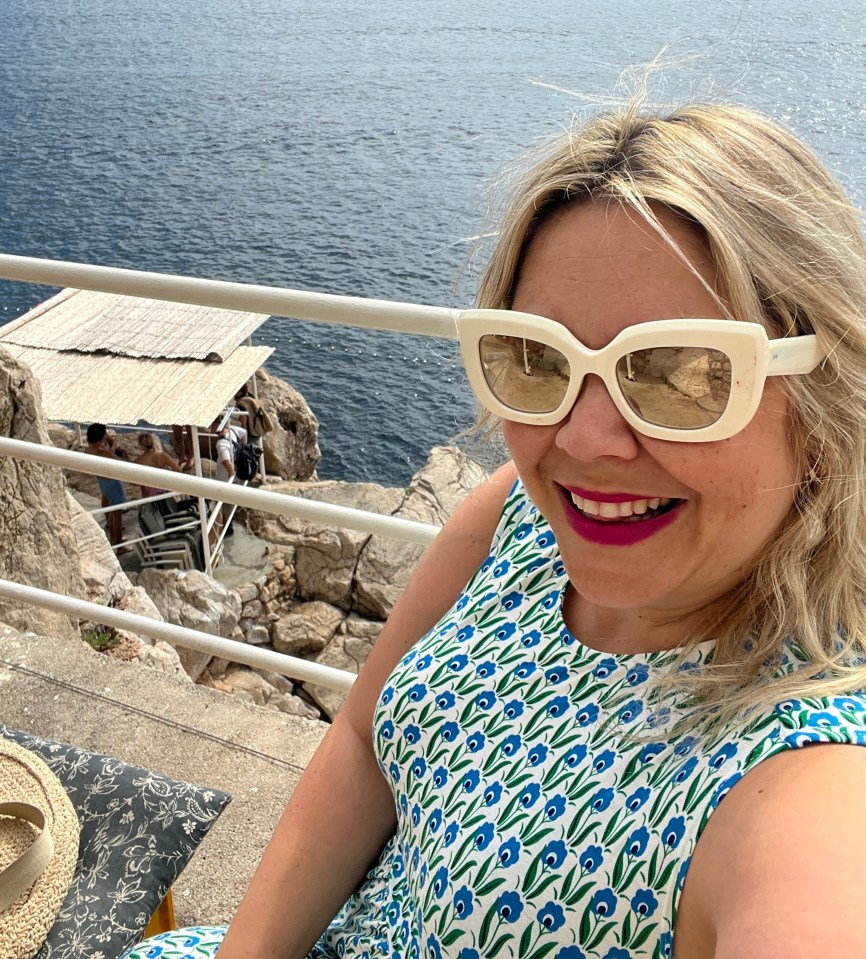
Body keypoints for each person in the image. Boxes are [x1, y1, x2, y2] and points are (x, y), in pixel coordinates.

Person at [124, 97, 866, 959]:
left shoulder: (808, 775)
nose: (585, 440)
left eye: (683, 373)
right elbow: (365, 736)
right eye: (537, 357)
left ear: (826, 397)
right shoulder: (522, 514)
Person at [84, 422, 130, 552]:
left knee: (111, 511)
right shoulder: (103, 453)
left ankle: (114, 539)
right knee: (117, 513)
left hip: (102, 481)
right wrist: (124, 454)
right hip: (112, 482)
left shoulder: (88, 450)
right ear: (99, 439)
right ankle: (119, 545)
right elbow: (121, 464)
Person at [134, 432, 184, 500]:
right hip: (163, 489)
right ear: (153, 442)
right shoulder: (162, 456)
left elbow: (134, 482)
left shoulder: (138, 461)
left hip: (148, 493)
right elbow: (178, 470)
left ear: (140, 445)